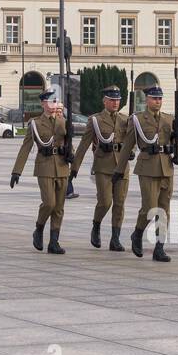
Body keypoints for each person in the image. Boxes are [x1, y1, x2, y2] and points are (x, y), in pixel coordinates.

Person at [117, 86, 178, 262]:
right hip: (147, 168)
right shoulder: (138, 119)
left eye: (160, 98)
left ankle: (159, 248)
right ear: (146, 100)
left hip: (166, 167)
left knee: (164, 210)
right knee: (149, 208)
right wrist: (119, 169)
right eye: (154, 98)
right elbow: (127, 146)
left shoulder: (169, 119)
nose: (157, 101)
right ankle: (137, 234)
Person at [10, 91, 71, 254]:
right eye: (50, 102)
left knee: (59, 207)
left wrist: (72, 156)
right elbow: (26, 147)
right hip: (44, 167)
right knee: (49, 203)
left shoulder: (63, 122)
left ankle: (53, 242)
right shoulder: (35, 124)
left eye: (55, 102)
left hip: (62, 166)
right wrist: (17, 171)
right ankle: (39, 228)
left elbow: (68, 143)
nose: (53, 105)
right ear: (43, 104)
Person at [71, 85, 129, 251]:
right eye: (112, 100)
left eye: (117, 100)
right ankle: (96, 225)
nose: (115, 103)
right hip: (103, 166)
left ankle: (115, 239)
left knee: (119, 203)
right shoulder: (95, 120)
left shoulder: (125, 119)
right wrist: (74, 167)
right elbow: (84, 144)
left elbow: (131, 140)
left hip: (122, 166)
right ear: (105, 101)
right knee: (105, 202)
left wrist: (130, 151)